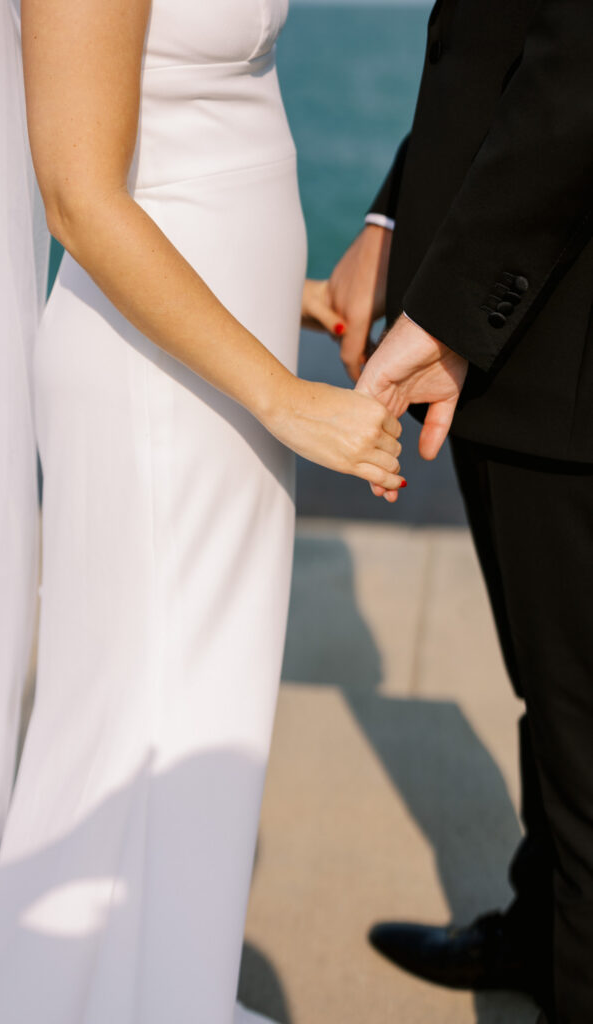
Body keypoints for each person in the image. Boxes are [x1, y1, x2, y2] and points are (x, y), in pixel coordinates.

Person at [0, 0, 406, 1021]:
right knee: (129, 736)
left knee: (199, 729)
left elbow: (208, 134)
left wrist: (293, 295)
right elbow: (79, 198)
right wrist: (287, 397)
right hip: (157, 393)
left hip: (224, 364)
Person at [322, 1, 593, 1022]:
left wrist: (451, 310)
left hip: (561, 334)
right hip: (501, 329)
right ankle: (543, 929)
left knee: (584, 730)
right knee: (550, 693)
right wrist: (396, 218)